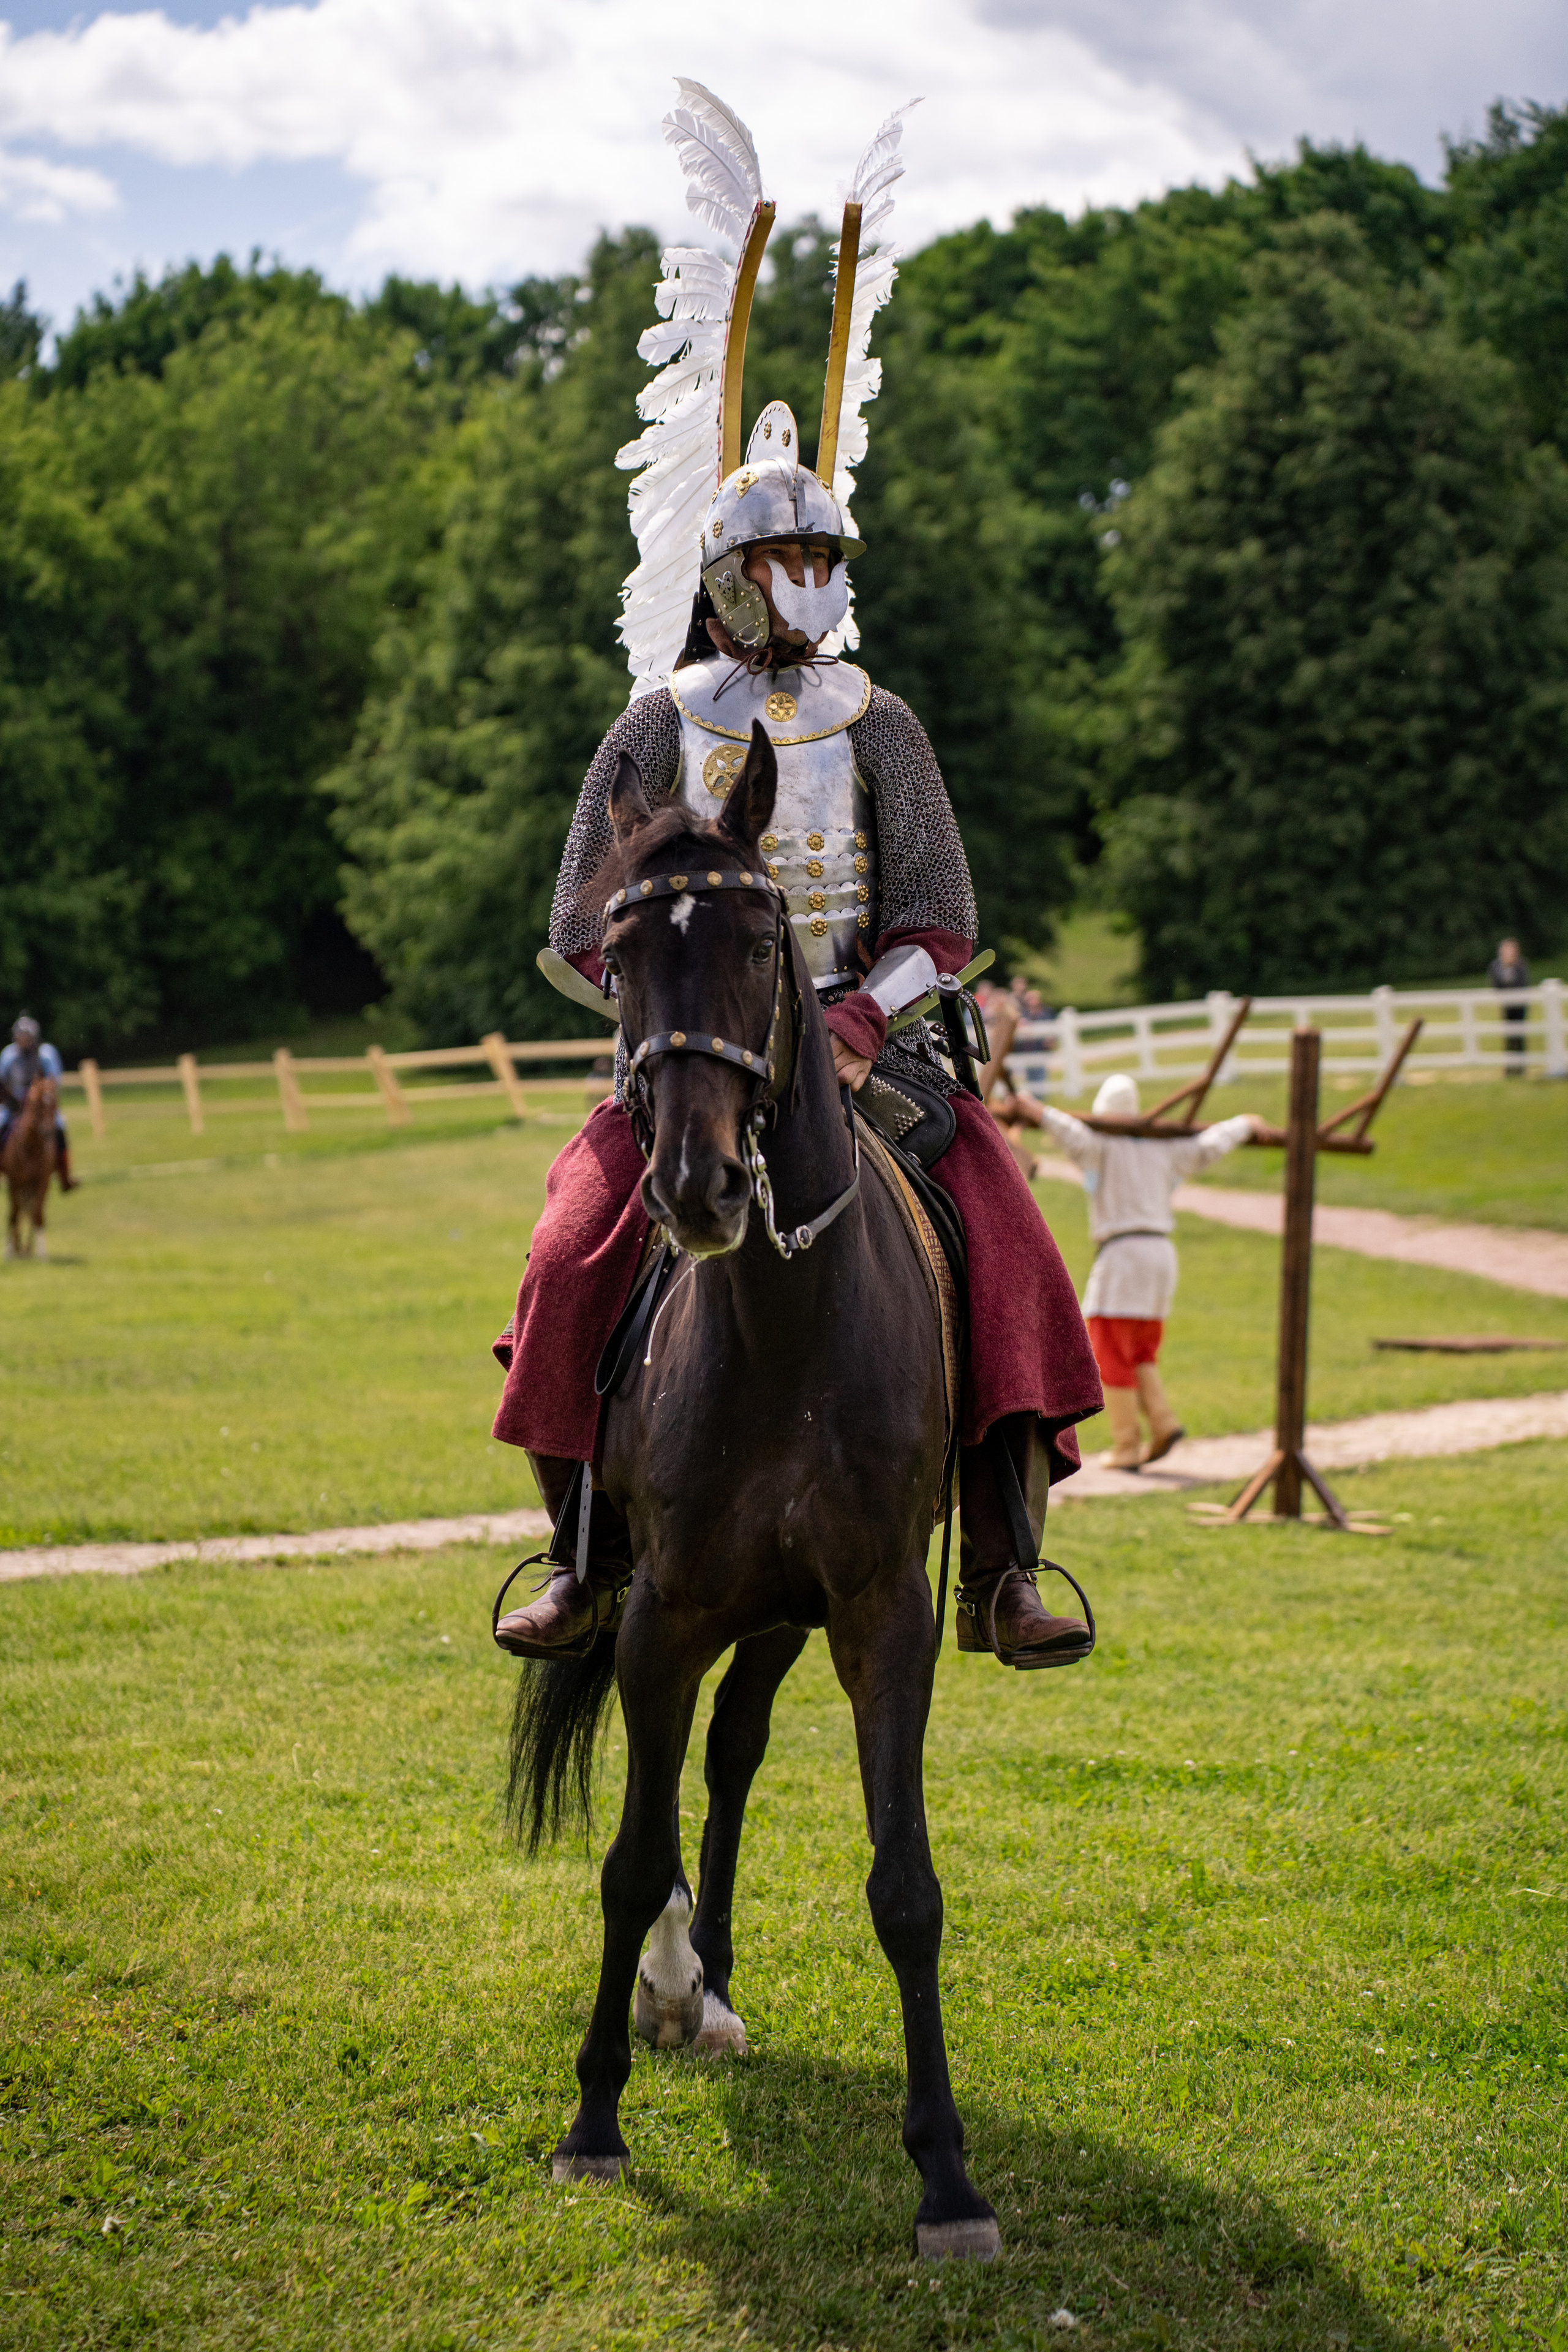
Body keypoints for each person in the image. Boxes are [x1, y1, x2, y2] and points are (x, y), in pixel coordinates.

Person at [489, 91, 1102, 1670]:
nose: (816, 585)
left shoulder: (878, 722)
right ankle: (581, 1552)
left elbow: (938, 920)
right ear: (727, 577)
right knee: (567, 1252)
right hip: (688, 1059)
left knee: (1006, 1241)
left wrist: (853, 1022)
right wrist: (672, 1023)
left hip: (866, 1054)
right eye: (789, 562)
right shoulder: (653, 727)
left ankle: (1005, 1564)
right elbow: (577, 927)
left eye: (827, 561)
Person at [1035, 1075, 1260, 1469]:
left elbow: (1070, 1133)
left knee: (1109, 1349)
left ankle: (1127, 1446)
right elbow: (1209, 1145)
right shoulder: (1165, 1149)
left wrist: (1034, 1109)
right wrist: (1243, 1124)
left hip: (1124, 1256)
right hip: (1160, 1257)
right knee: (1140, 1351)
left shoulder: (1103, 1146)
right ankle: (1163, 1422)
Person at [0, 1015, 77, 1190]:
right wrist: (12, 1101)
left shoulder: (46, 1054)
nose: (23, 1040)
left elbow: (53, 1081)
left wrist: (38, 1098)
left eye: (26, 1037)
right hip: (13, 1105)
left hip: (40, 1106)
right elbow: (2, 1082)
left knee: (59, 1127)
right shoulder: (8, 1055)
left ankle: (65, 1176)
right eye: (20, 1036)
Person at [1488, 937, 1531, 1075]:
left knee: (1520, 1036)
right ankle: (1509, 1068)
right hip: (1506, 1006)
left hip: (1519, 1007)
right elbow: (1495, 985)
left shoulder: (1521, 965)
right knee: (1508, 1037)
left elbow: (1523, 984)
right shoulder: (1496, 966)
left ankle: (1521, 1068)